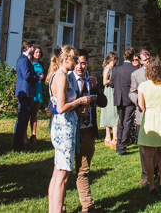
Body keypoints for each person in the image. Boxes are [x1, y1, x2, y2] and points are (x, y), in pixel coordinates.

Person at [47, 46, 92, 213]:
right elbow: (60, 107)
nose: (75, 63)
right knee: (62, 175)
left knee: (57, 172)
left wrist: (77, 110)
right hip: (64, 129)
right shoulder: (61, 78)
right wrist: (78, 102)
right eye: (73, 59)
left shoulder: (59, 76)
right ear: (65, 59)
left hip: (65, 125)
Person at [70, 49, 108, 213]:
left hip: (88, 130)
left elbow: (104, 103)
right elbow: (54, 106)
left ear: (88, 64)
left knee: (83, 169)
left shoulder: (90, 81)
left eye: (83, 63)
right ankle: (59, 206)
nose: (80, 66)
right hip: (70, 131)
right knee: (64, 171)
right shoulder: (66, 80)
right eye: (77, 62)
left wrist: (97, 88)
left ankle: (87, 206)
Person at [130, 49, 161, 185]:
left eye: (148, 60)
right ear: (140, 61)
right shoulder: (136, 74)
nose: (147, 63)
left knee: (159, 146)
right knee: (145, 148)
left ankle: (158, 172)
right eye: (144, 61)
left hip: (157, 112)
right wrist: (140, 101)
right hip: (143, 114)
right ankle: (146, 175)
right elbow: (132, 92)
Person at [137, 58, 161, 195]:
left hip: (150, 118)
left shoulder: (143, 86)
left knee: (148, 154)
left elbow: (141, 107)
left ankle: (152, 185)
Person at [13, 40, 43, 151]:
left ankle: (19, 142)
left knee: (24, 117)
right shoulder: (24, 60)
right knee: (23, 118)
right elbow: (26, 76)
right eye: (32, 48)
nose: (34, 50)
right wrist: (38, 78)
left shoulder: (24, 59)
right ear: (27, 48)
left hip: (27, 91)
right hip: (25, 91)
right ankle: (18, 143)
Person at [112, 47, 138, 156]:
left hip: (119, 98)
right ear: (133, 57)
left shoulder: (116, 69)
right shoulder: (135, 70)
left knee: (121, 122)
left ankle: (119, 145)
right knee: (127, 122)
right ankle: (122, 146)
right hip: (130, 99)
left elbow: (111, 83)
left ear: (123, 56)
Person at [100, 51, 119, 149]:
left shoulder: (113, 68)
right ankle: (113, 138)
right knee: (112, 113)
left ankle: (108, 137)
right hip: (109, 92)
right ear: (113, 59)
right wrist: (114, 80)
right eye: (116, 59)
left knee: (112, 113)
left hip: (112, 91)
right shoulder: (107, 69)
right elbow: (104, 82)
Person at [29, 45, 45, 143]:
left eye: (39, 52)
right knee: (28, 113)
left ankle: (34, 134)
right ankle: (24, 135)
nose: (38, 54)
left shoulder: (41, 64)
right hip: (31, 88)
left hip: (38, 89)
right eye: (36, 52)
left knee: (35, 113)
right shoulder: (29, 64)